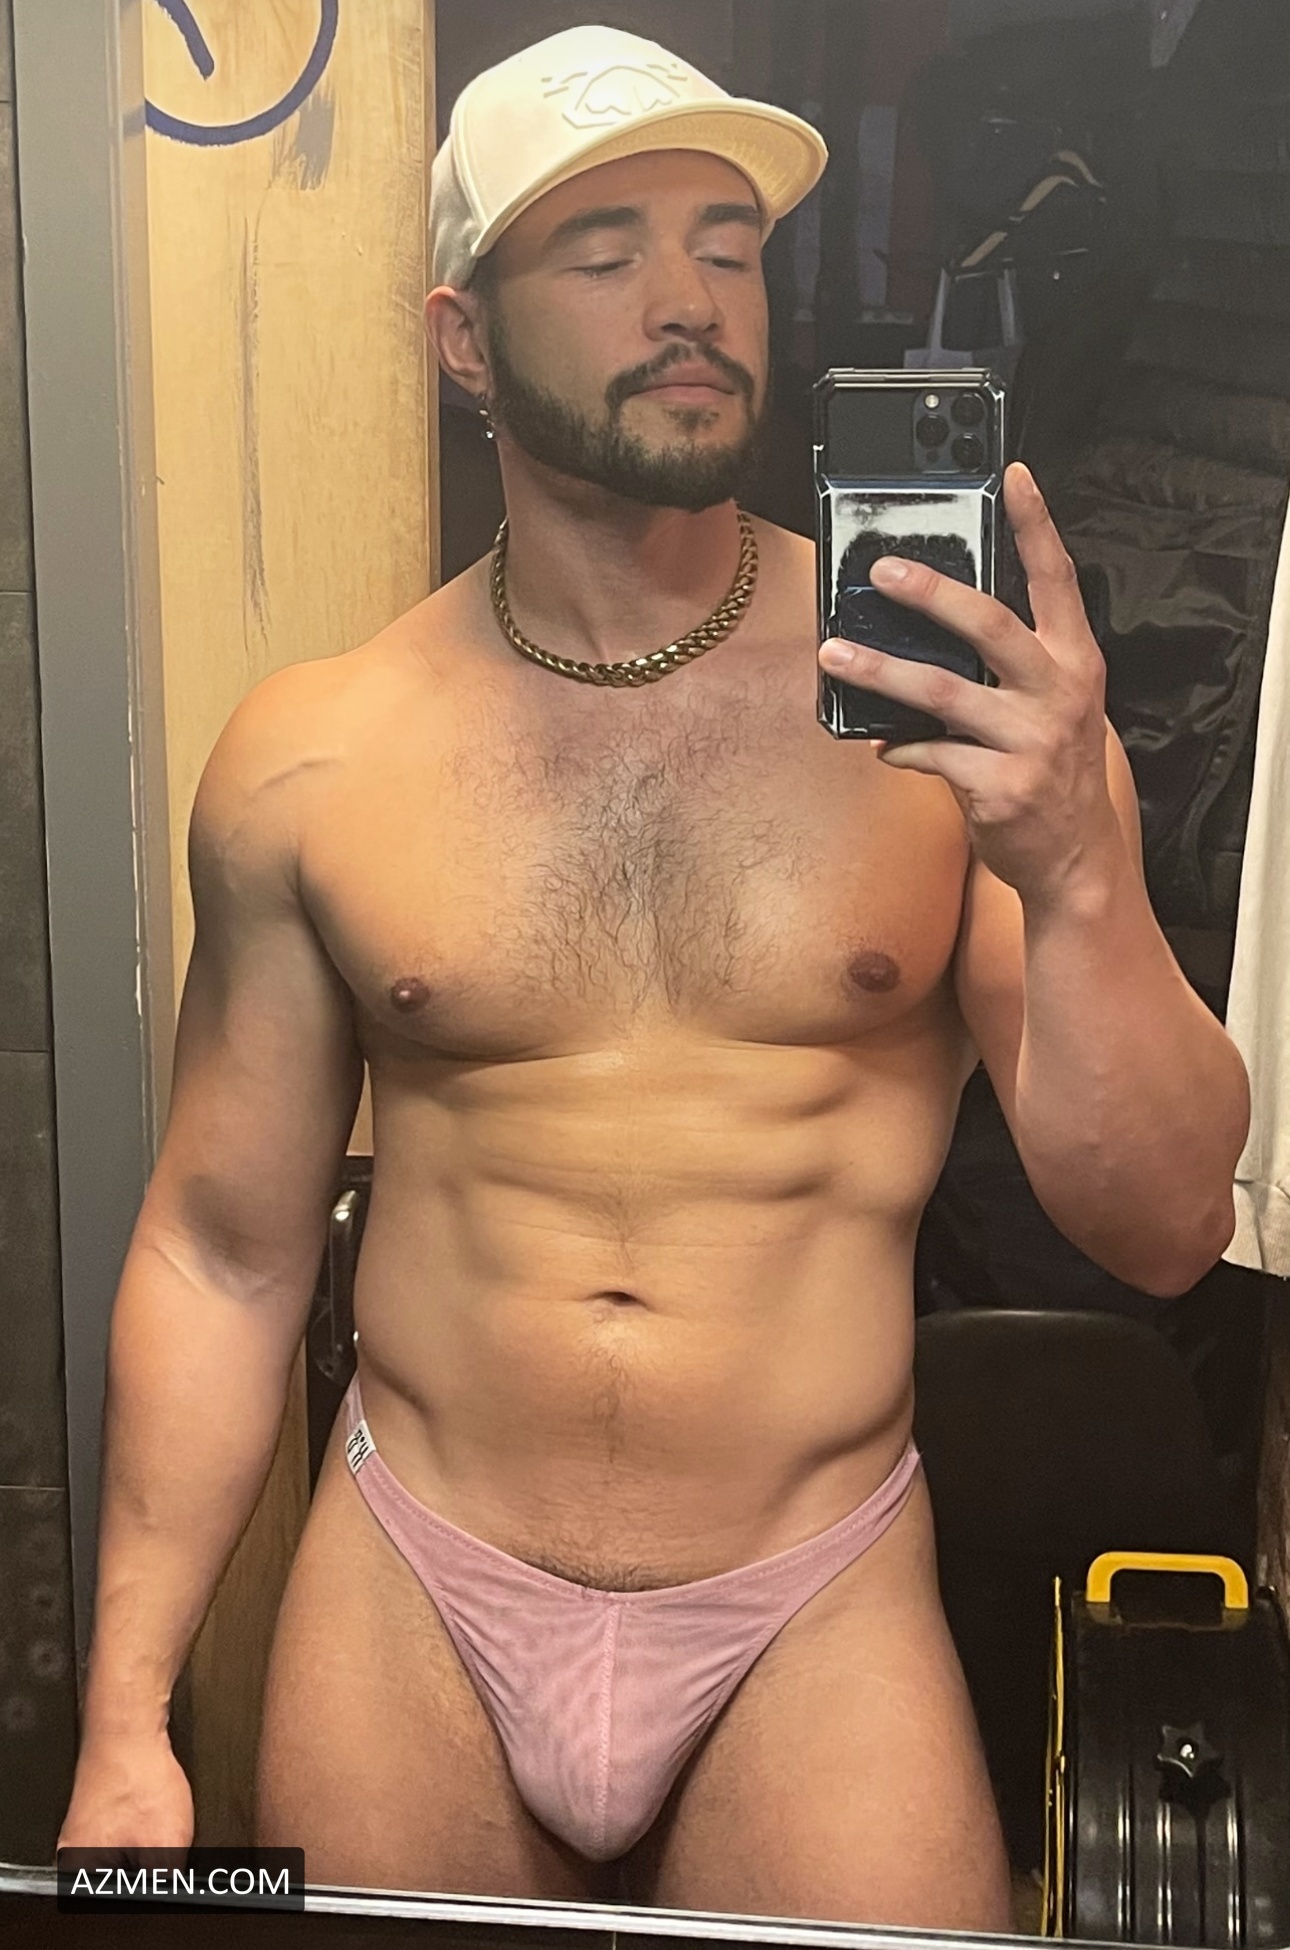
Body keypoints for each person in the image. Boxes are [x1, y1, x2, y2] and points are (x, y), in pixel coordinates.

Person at [58, 24, 1249, 1930]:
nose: (686, 299)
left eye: (725, 246)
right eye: (603, 252)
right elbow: (221, 1250)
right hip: (422, 1577)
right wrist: (127, 1721)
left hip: (809, 1592)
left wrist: (1078, 868)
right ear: (463, 339)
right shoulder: (315, 755)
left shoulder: (965, 729)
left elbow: (1170, 1226)